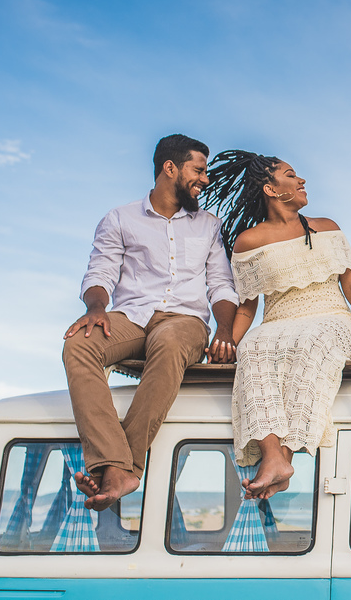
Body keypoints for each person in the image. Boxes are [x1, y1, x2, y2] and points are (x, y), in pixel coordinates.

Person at [203, 150, 351, 499]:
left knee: (313, 342)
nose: (302, 180)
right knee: (253, 348)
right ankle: (273, 457)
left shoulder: (327, 228)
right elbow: (248, 307)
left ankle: (282, 460)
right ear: (270, 189)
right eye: (291, 175)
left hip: (332, 319)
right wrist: (230, 344)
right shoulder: (249, 241)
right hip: (276, 321)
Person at [63, 134, 239, 511]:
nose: (204, 179)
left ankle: (122, 466)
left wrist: (224, 330)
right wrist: (96, 308)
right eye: (198, 170)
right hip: (132, 318)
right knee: (79, 344)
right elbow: (100, 271)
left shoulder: (209, 225)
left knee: (172, 340)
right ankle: (117, 465)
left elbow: (221, 284)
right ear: (169, 168)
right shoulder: (120, 218)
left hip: (185, 321)